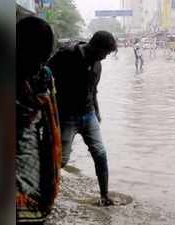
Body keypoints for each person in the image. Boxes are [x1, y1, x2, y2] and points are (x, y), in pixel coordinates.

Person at [47, 31, 117, 206]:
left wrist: (97, 111)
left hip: (89, 114)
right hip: (66, 116)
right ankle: (46, 192)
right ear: (95, 47)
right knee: (61, 160)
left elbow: (93, 90)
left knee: (100, 153)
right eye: (105, 53)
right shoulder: (66, 55)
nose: (105, 58)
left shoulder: (97, 65)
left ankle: (104, 196)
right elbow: (45, 72)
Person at [16, 16, 62, 224]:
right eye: (33, 57)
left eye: (43, 58)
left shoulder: (44, 75)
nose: (38, 64)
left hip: (33, 156)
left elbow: (51, 124)